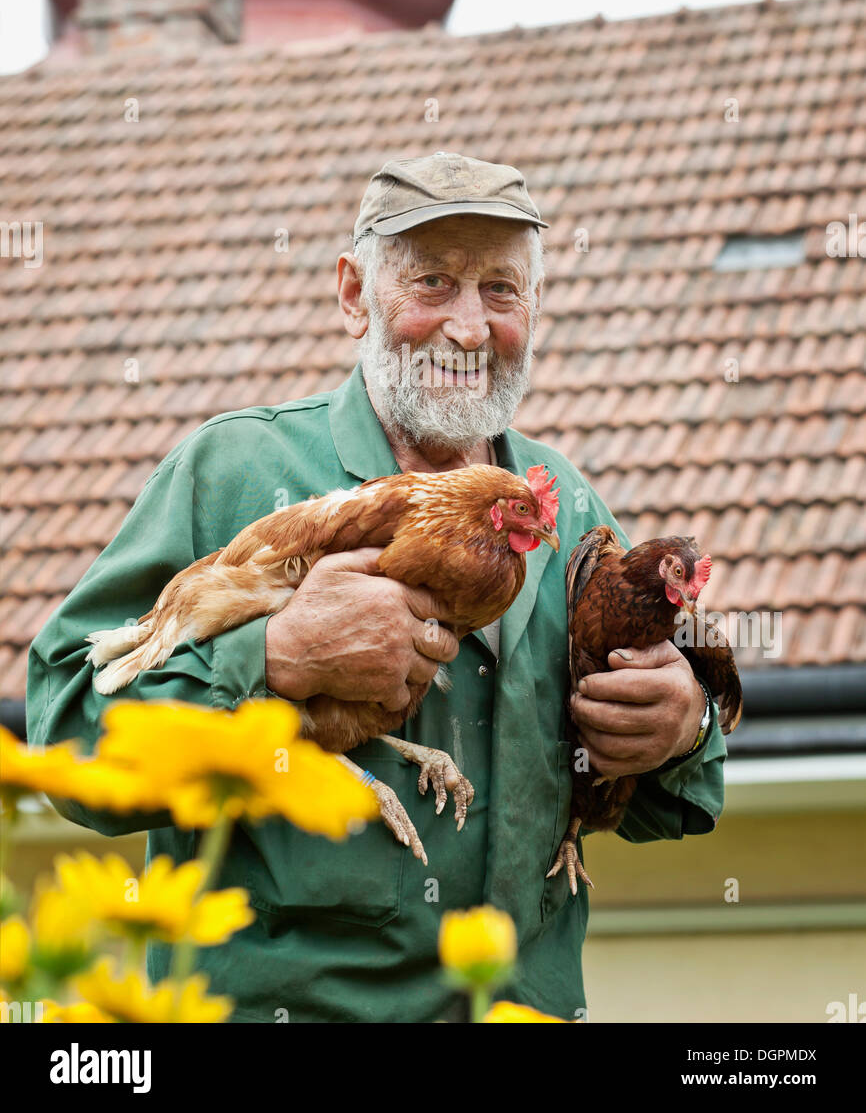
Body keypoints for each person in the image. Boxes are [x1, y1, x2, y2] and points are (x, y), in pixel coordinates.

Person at [27, 151, 725, 1022]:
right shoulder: (238, 473)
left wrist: (680, 728)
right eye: (433, 282)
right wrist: (270, 658)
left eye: (502, 291)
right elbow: (63, 735)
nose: (470, 328)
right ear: (355, 295)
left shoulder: (567, 506)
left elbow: (666, 798)